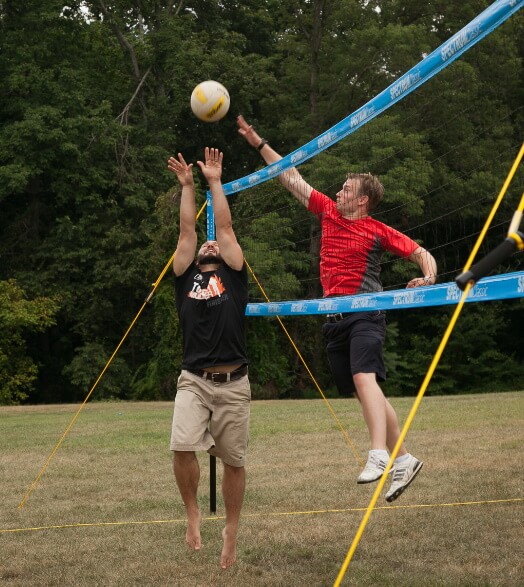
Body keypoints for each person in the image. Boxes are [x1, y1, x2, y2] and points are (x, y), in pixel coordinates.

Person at [237, 115, 437, 502]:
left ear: (362, 200)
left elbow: (421, 254)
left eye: (346, 189)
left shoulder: (378, 230)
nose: (339, 192)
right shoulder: (328, 212)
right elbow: (288, 176)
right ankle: (405, 458)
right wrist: (257, 141)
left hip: (366, 311)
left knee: (365, 379)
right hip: (335, 320)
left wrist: (427, 278)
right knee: (367, 392)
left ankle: (379, 454)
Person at [167, 147, 250, 568]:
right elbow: (186, 233)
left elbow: (229, 228)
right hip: (194, 380)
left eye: (214, 243)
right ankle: (193, 513)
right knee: (182, 446)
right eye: (205, 244)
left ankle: (231, 533)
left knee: (234, 462)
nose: (209, 245)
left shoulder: (234, 275)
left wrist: (216, 182)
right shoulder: (185, 276)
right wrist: (187, 186)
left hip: (234, 383)